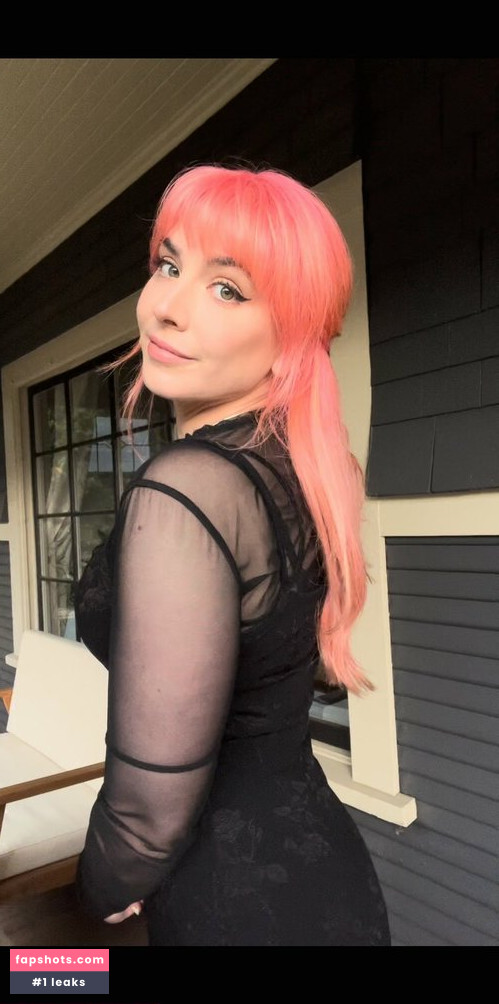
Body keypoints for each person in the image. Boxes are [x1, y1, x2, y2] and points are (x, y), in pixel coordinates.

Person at [74, 161, 391, 947]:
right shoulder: (304, 470)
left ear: (290, 339)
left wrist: (100, 889)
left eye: (226, 289)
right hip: (326, 874)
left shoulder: (187, 490)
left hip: (232, 902)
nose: (166, 308)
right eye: (168, 265)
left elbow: (147, 818)